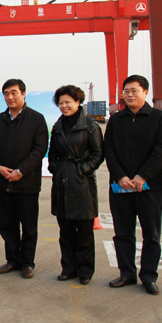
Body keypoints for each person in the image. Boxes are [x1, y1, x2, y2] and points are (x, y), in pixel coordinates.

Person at [103, 75, 162, 295]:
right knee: (123, 233)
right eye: (126, 91)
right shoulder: (116, 120)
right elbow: (109, 150)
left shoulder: (159, 118)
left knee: (151, 234)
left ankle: (149, 277)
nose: (130, 95)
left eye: (134, 90)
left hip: (149, 187)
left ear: (145, 92)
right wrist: (120, 176)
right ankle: (127, 273)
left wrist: (143, 176)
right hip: (121, 187)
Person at [0, 79, 49, 279]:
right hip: (4, 182)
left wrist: (21, 171)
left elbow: (39, 149)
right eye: (6, 93)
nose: (10, 97)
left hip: (27, 183)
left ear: (23, 94)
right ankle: (13, 260)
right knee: (7, 225)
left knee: (29, 227)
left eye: (14, 93)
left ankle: (27, 263)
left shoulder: (36, 119)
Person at [48, 85, 104, 285]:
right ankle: (68, 268)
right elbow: (53, 155)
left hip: (82, 184)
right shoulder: (58, 126)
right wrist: (56, 168)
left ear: (78, 102)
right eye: (60, 103)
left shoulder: (90, 125)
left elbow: (98, 155)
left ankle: (85, 270)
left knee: (85, 233)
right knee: (66, 232)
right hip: (61, 183)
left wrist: (81, 170)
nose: (64, 106)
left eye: (68, 102)